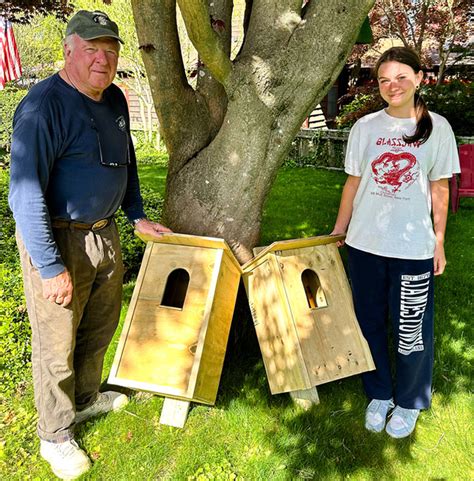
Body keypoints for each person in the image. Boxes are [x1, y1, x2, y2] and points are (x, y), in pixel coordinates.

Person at [9, 10, 171, 479]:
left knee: (100, 326)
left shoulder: (116, 99)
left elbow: (127, 164)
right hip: (59, 239)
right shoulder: (45, 107)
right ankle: (54, 435)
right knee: (56, 341)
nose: (103, 59)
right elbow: (24, 192)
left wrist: (136, 215)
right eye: (92, 50)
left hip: (105, 234)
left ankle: (83, 400)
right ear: (69, 50)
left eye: (111, 51)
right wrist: (49, 265)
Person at [331, 47, 460, 439]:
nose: (393, 86)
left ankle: (409, 401)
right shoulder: (365, 128)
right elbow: (353, 182)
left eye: (402, 76)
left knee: (411, 329)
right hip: (364, 244)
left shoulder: (437, 128)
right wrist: (339, 231)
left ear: (420, 77)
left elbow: (439, 189)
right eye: (385, 79)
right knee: (368, 322)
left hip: (412, 248)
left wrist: (438, 242)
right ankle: (379, 392)